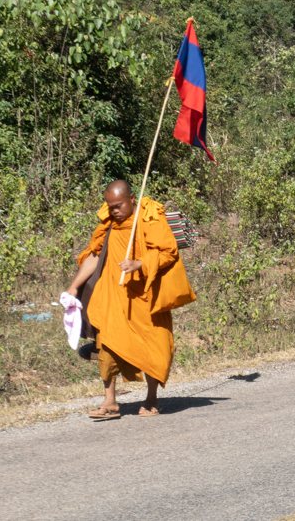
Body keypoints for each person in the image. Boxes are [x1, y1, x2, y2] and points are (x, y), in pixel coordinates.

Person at [66, 180, 194, 419]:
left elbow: (168, 252)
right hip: (112, 295)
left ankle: (152, 398)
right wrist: (74, 286)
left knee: (153, 344)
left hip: (144, 296)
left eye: (119, 205)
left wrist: (140, 264)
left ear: (132, 198)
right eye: (110, 205)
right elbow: (94, 255)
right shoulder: (109, 225)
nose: (114, 210)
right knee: (107, 345)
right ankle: (110, 402)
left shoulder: (150, 219)